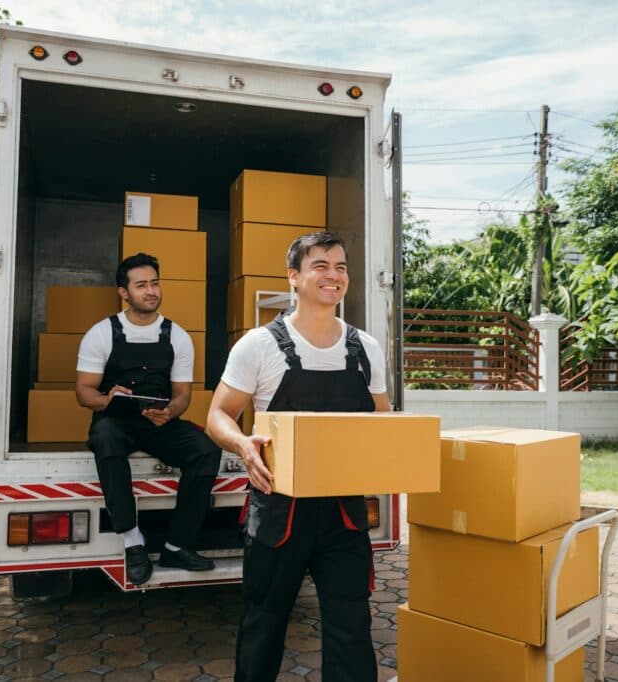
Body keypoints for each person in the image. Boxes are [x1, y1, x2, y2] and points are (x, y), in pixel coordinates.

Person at [206, 232, 391, 682]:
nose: (334, 276)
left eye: (341, 267)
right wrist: (242, 444)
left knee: (352, 627)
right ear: (294, 277)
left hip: (343, 514)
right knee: (263, 624)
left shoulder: (365, 348)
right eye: (321, 266)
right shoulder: (259, 345)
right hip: (278, 513)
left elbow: (383, 422)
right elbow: (218, 415)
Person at [76, 252, 221, 585]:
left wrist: (171, 411)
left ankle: (176, 545)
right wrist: (106, 399)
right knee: (106, 439)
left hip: (157, 421)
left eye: (154, 283)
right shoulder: (102, 333)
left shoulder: (177, 336)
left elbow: (183, 393)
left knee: (206, 450)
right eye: (141, 285)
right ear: (124, 292)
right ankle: (132, 542)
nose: (151, 291)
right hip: (115, 421)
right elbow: (84, 392)